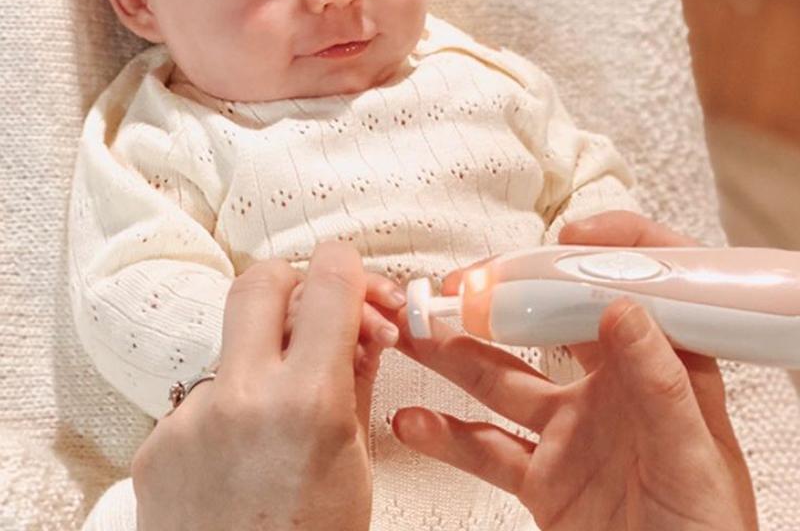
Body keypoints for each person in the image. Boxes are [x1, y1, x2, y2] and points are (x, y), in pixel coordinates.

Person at [71, 0, 641, 526]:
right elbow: (129, 288)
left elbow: (588, 180)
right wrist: (256, 338)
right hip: (286, 486)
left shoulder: (485, 82)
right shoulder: (167, 132)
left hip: (534, 476)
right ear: (140, 1)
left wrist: (599, 255)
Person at [128, 212, 759, 531]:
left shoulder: (496, 84)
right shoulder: (159, 123)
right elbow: (132, 289)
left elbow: (588, 195)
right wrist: (239, 354)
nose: (333, 2)